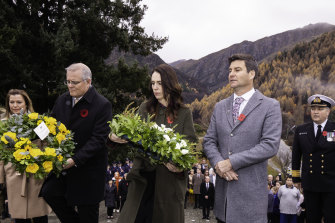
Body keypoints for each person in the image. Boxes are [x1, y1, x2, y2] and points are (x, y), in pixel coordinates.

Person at [110, 64, 197, 223]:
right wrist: (114, 137)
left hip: (169, 183)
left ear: (170, 84)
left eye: (160, 83)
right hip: (143, 178)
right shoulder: (145, 107)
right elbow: (131, 133)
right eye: (152, 83)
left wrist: (180, 166)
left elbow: (191, 144)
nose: (155, 88)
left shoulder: (184, 112)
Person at [203, 54, 282, 223]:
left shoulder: (270, 106)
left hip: (250, 204)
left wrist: (231, 162)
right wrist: (218, 164)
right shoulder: (220, 106)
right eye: (230, 70)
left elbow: (269, 145)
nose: (231, 74)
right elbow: (209, 140)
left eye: (237, 70)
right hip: (223, 203)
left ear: (251, 74)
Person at [40, 63, 113, 223]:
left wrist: (75, 160)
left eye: (74, 82)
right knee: (49, 192)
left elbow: (98, 140)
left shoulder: (102, 105)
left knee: (88, 215)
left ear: (88, 81)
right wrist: (33, 132)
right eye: (68, 82)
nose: (70, 86)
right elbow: (50, 125)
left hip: (88, 172)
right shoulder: (62, 99)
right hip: (63, 169)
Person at [0, 89, 51, 222]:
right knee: (19, 214)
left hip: (36, 172)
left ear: (26, 104)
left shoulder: (38, 121)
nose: (15, 105)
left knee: (40, 213)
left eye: (19, 102)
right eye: (12, 102)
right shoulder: (2, 123)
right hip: (14, 174)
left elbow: (48, 144)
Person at [292, 94, 335, 223]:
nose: (315, 111)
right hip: (310, 184)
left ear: (328, 112)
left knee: (331, 218)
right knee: (311, 218)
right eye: (313, 108)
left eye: (320, 109)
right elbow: (296, 156)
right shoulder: (301, 130)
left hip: (331, 184)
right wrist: (296, 178)